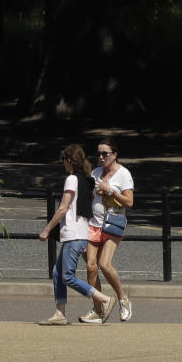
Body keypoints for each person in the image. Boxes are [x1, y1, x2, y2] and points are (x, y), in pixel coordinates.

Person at [37, 144, 113, 325]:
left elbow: (63, 208)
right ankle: (59, 313)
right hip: (80, 233)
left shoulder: (72, 179)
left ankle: (103, 299)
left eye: (64, 159)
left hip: (74, 234)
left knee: (67, 276)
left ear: (69, 161)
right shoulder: (88, 180)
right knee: (58, 273)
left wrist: (47, 229)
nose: (63, 163)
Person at [82, 138, 134, 324]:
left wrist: (110, 191)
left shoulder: (123, 174)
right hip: (94, 224)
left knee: (104, 264)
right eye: (99, 153)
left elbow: (129, 202)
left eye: (105, 153)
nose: (101, 157)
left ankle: (122, 299)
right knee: (90, 266)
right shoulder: (95, 173)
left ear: (115, 155)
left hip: (113, 222)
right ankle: (99, 308)